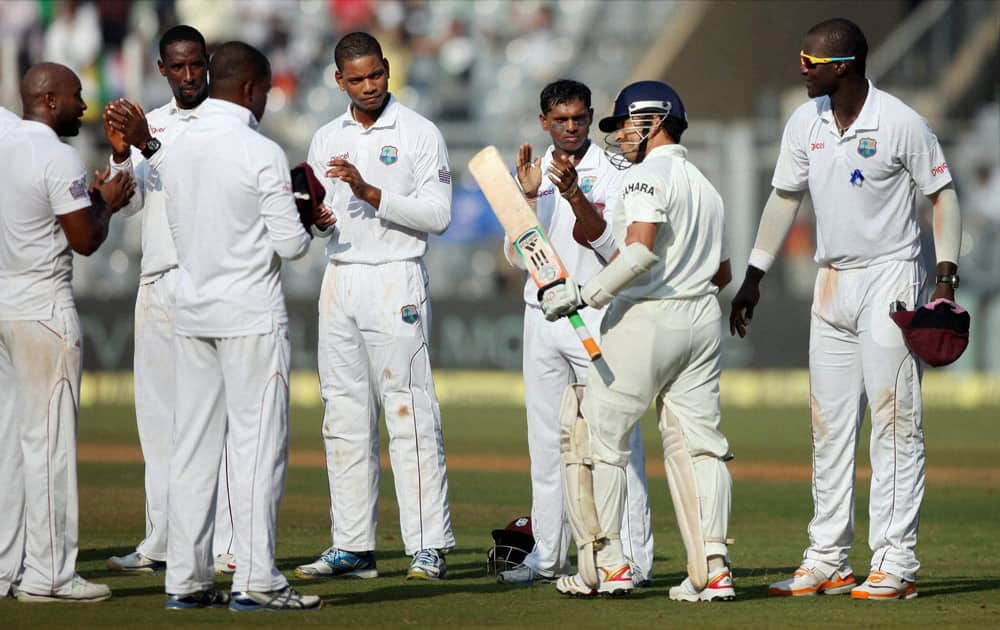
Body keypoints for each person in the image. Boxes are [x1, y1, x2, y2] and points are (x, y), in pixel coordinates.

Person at [729, 18, 962, 601]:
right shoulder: (804, 121)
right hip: (831, 280)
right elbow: (785, 197)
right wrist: (754, 274)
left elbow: (943, 196)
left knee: (894, 421)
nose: (801, 68)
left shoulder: (901, 122)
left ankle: (896, 562)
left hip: (891, 277)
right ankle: (828, 557)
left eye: (811, 61)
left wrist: (945, 280)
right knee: (828, 426)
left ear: (846, 65)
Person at [540, 80, 736, 601]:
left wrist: (584, 294)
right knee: (701, 446)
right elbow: (723, 272)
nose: (621, 134)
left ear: (653, 119)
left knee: (596, 437)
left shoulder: (645, 178)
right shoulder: (706, 186)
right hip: (701, 320)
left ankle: (608, 566)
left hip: (647, 317)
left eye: (625, 122)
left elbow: (641, 252)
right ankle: (713, 569)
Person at [159, 41, 329, 611]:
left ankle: (185, 579)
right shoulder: (259, 151)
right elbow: (290, 245)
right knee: (258, 447)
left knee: (191, 448)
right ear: (254, 90)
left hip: (192, 306)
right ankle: (256, 578)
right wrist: (307, 218)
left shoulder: (178, 148)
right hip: (250, 311)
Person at [295, 31, 455, 582]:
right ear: (338, 80)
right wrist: (316, 221)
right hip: (340, 278)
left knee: (409, 413)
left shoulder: (418, 133)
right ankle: (353, 546)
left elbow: (437, 216)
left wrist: (370, 193)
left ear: (388, 69)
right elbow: (322, 215)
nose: (369, 87)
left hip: (396, 277)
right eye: (356, 79)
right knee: (342, 415)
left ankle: (427, 545)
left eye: (376, 75)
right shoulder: (325, 137)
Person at [496, 79, 653, 587]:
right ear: (544, 122)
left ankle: (634, 555)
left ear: (589, 118)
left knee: (614, 439)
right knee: (546, 442)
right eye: (560, 120)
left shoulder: (615, 171)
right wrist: (524, 198)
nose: (570, 128)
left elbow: (614, 251)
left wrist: (574, 193)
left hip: (597, 312)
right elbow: (516, 256)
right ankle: (547, 555)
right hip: (541, 314)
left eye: (579, 119)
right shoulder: (530, 174)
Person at [101, 24, 237, 578]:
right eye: (177, 67)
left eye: (195, 65)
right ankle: (160, 539)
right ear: (161, 68)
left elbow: (203, 185)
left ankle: (228, 545)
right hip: (155, 279)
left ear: (207, 63)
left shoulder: (228, 122)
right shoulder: (148, 122)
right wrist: (117, 157)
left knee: (213, 420)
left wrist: (145, 145)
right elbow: (125, 204)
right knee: (156, 419)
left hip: (206, 279)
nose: (187, 76)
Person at [0, 62, 134, 603]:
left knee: (8, 445)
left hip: (2, 302)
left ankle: (6, 567)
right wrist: (108, 202)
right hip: (42, 308)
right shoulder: (56, 155)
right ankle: (50, 575)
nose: (84, 105)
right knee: (49, 444)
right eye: (77, 96)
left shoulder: (5, 142)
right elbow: (84, 240)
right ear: (50, 101)